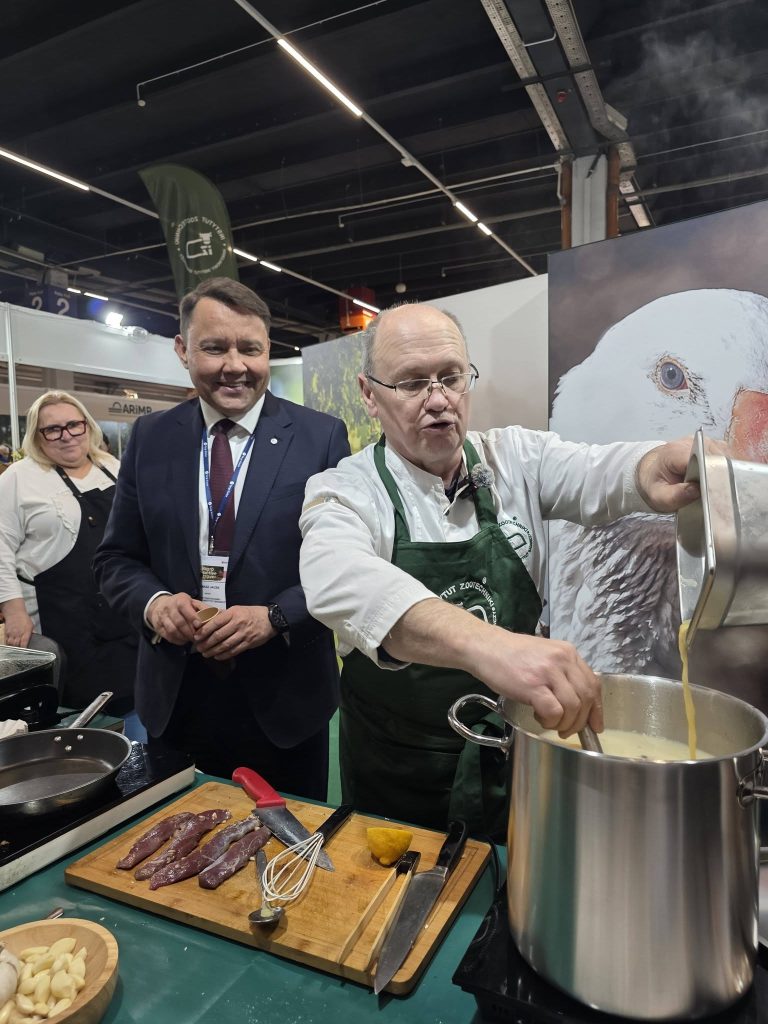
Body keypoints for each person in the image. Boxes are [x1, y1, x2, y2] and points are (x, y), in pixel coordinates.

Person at [298, 302, 704, 836]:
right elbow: (339, 580)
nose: (439, 400)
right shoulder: (345, 489)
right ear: (370, 395)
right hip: (398, 766)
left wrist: (652, 469)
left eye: (451, 377)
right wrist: (491, 646)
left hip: (509, 753)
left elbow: (600, 471)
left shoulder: (514, 458)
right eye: (413, 383)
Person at [94, 277, 350, 798]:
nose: (235, 365)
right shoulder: (151, 437)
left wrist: (276, 617)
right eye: (214, 348)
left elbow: (349, 563)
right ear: (183, 350)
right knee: (173, 850)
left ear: (268, 350)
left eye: (249, 348)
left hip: (284, 698)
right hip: (177, 694)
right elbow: (116, 558)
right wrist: (155, 603)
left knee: (289, 849)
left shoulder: (321, 437)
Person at [0, 391, 136, 712]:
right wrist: (14, 611)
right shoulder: (20, 478)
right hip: (60, 615)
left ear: (87, 426)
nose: (67, 436)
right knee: (75, 708)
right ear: (37, 435)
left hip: (120, 612)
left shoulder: (111, 467)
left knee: (129, 701)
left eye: (74, 425)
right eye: (53, 429)